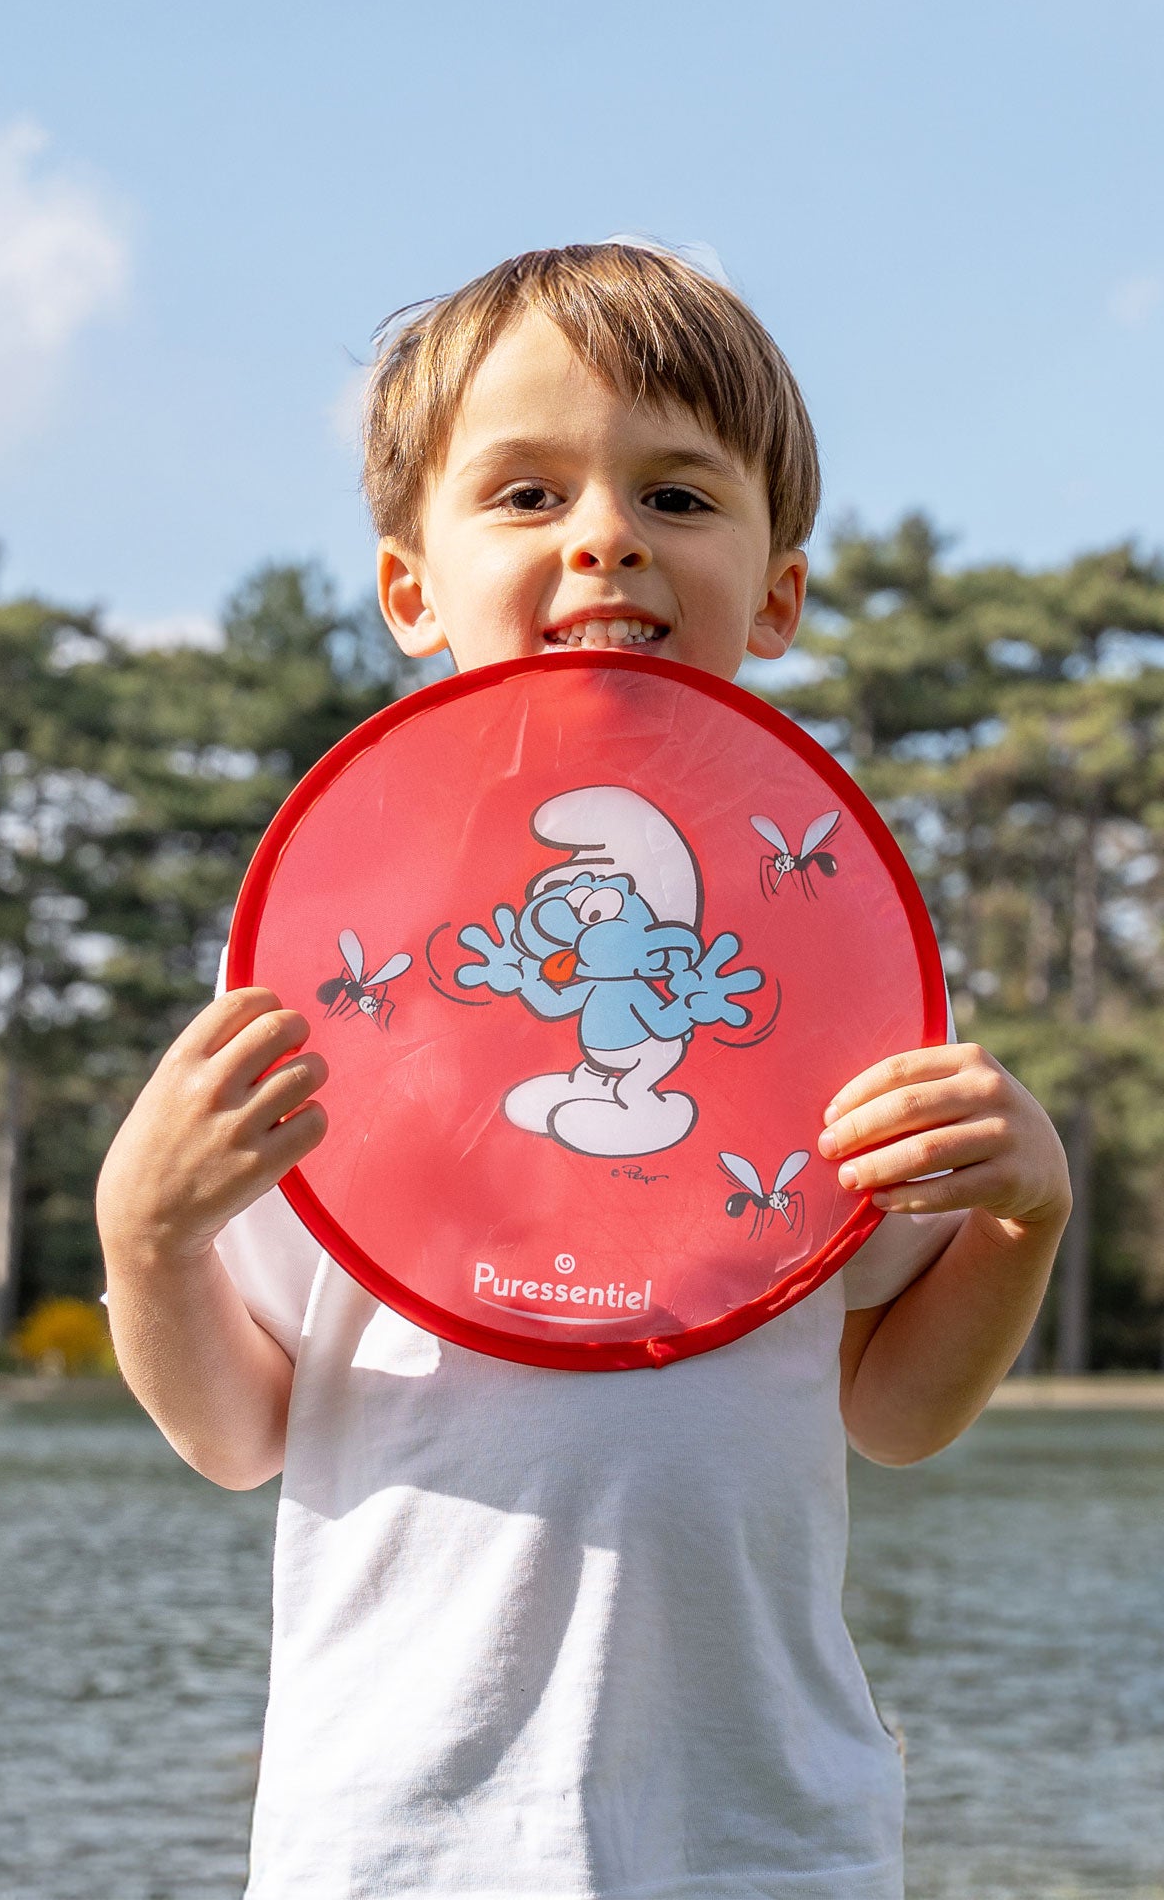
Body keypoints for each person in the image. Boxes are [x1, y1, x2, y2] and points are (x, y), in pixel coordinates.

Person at [97, 243, 1072, 1899]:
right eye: (529, 492)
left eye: (678, 495)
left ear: (779, 593)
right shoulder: (328, 960)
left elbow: (896, 1414)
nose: (606, 534)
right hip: (397, 1836)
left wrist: (1021, 1219)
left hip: (759, 1832)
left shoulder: (835, 955)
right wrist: (143, 1234)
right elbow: (241, 1428)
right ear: (412, 587)